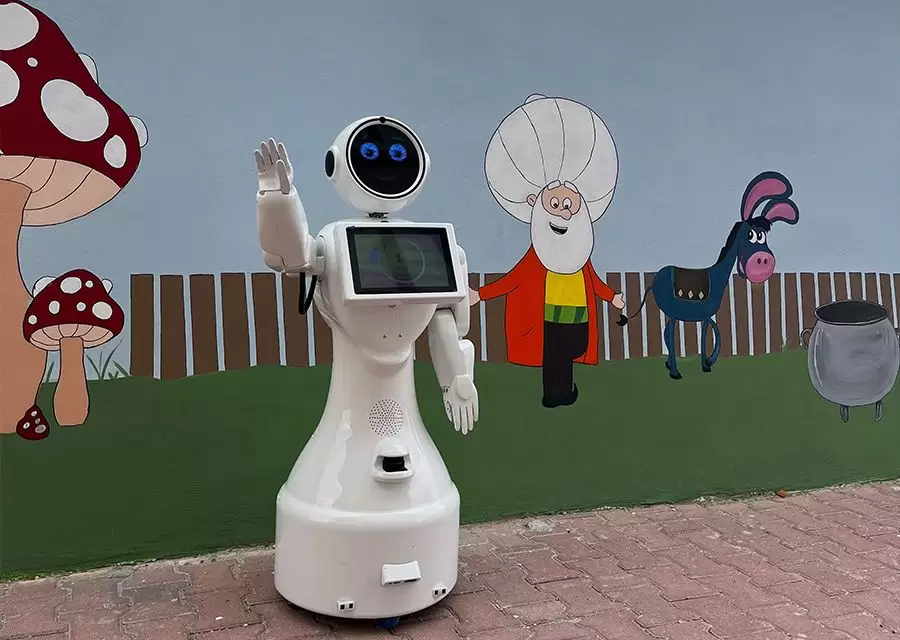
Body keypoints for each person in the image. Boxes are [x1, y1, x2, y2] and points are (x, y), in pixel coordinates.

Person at [469, 95, 625, 408]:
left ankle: (562, 390)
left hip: (578, 317)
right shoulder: (539, 257)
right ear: (536, 204)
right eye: (555, 204)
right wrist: (481, 295)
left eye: (569, 205)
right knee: (554, 356)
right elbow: (513, 280)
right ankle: (556, 394)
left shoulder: (578, 255)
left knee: (568, 352)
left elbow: (592, 281)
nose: (564, 212)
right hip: (549, 317)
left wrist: (612, 298)